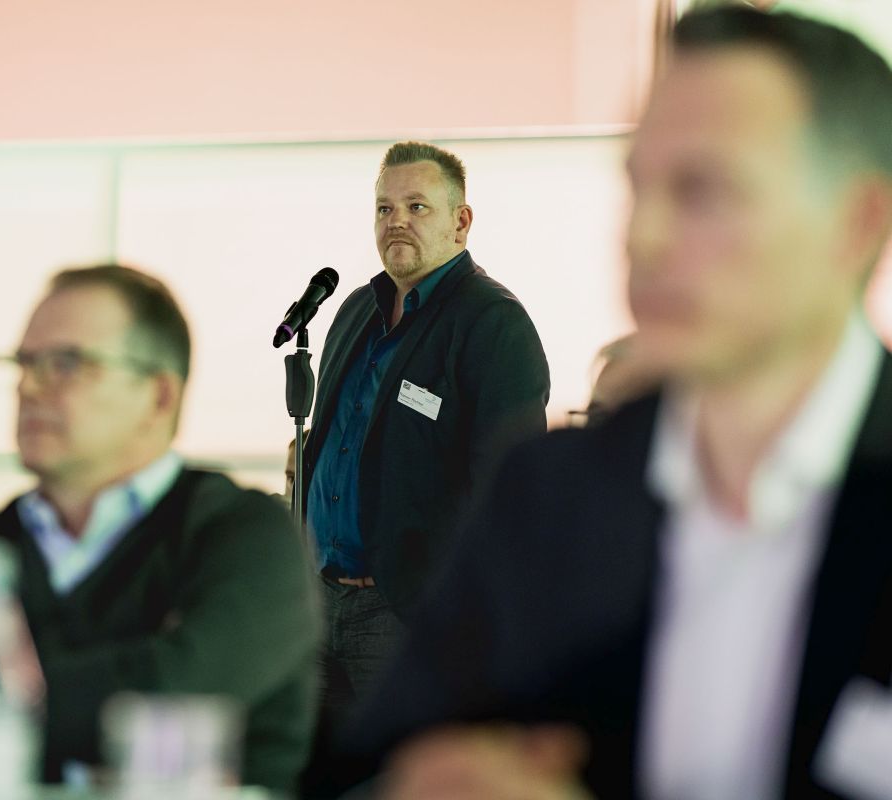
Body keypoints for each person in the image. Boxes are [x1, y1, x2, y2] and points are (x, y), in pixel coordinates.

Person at [359, 7, 892, 800]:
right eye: (639, 187)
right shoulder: (548, 493)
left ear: (856, 222)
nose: (644, 236)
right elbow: (379, 764)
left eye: (702, 191)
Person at [0, 265, 320, 793]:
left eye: (66, 364)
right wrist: (115, 691)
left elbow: (180, 688)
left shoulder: (246, 536)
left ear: (158, 396)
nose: (29, 386)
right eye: (23, 364)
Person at [302, 141, 550, 719]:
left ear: (460, 222)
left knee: (402, 763)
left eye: (417, 207)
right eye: (384, 208)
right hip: (318, 603)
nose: (396, 222)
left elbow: (509, 491)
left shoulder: (492, 322)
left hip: (405, 614)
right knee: (313, 765)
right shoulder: (355, 310)